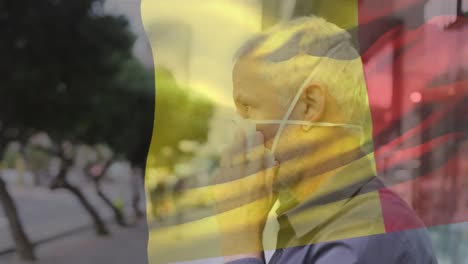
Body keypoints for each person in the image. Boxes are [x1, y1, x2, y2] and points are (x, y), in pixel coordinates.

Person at [214, 16, 437, 263]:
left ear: (310, 105)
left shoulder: (364, 233)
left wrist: (240, 241)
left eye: (248, 106)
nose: (239, 129)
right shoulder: (317, 223)